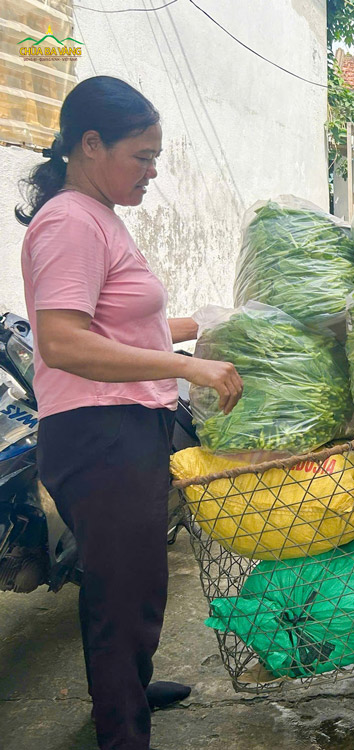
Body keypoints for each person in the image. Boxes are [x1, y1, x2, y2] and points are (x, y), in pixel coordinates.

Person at [16, 76, 244, 750]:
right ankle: (123, 732)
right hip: (98, 433)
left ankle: (123, 690)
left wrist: (207, 324)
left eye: (157, 158)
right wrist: (184, 365)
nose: (152, 172)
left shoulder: (96, 214)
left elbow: (119, 325)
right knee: (126, 592)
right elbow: (62, 341)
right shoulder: (68, 222)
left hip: (121, 428)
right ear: (91, 144)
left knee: (127, 579)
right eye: (142, 156)